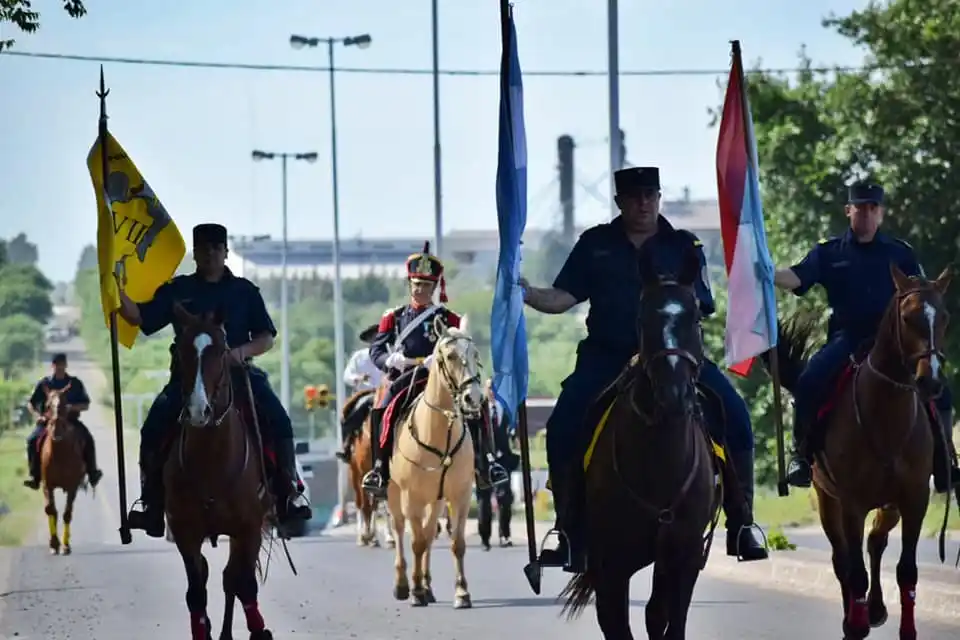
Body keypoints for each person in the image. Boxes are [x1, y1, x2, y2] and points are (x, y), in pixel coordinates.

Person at [520, 166, 768, 573]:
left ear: (659, 197)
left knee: (736, 418)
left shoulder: (684, 245)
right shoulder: (595, 243)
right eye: (635, 197)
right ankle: (568, 531)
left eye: (650, 195)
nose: (643, 203)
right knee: (564, 423)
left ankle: (742, 522)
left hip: (674, 357)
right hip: (607, 354)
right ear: (620, 201)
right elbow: (563, 297)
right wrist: (526, 293)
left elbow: (702, 303)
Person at [117, 223, 312, 538]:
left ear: (225, 252)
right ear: (195, 254)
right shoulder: (178, 290)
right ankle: (151, 503)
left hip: (237, 375)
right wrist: (115, 289)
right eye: (204, 249)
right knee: (153, 426)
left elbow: (265, 339)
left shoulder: (244, 291)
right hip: (186, 379)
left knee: (278, 419)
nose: (210, 254)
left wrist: (237, 354)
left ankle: (288, 492)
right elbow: (139, 317)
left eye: (216, 248)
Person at [773, 182, 960, 491]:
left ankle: (944, 462)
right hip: (847, 339)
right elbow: (796, 279)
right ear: (849, 211)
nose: (866, 214)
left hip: (895, 342)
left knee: (940, 389)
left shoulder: (900, 253)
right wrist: (765, 272)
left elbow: (921, 293)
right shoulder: (829, 252)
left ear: (880, 214)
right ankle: (802, 457)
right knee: (808, 382)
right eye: (859, 208)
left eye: (872, 208)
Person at [361, 241, 509, 498]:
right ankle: (380, 468)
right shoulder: (393, 317)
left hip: (442, 378)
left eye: (426, 285)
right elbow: (376, 351)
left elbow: (463, 348)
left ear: (435, 287)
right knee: (381, 406)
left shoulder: (449, 318)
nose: (420, 290)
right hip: (405, 377)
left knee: (477, 403)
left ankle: (487, 462)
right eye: (416, 284)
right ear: (410, 285)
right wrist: (389, 360)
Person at [23, 353, 102, 490]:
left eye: (62, 364)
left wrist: (72, 407)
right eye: (57, 364)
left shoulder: (75, 383)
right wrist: (38, 416)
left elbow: (86, 404)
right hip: (48, 421)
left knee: (88, 438)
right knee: (32, 440)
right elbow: (31, 403)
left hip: (70, 420)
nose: (59, 367)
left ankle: (92, 472)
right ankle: (34, 476)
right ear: (52, 366)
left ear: (65, 365)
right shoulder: (44, 384)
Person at [477, 378, 517, 550]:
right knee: (484, 501)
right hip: (484, 462)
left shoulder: (506, 411)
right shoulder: (479, 411)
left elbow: (512, 432)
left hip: (503, 461)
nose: (492, 391)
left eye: (495, 388)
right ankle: (485, 538)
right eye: (489, 388)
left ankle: (505, 535)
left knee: (504, 498)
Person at [335, 323, 383, 462]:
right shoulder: (359, 356)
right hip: (366, 393)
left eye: (379, 337)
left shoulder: (391, 354)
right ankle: (346, 445)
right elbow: (347, 376)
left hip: (386, 391)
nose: (376, 340)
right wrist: (358, 378)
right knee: (349, 414)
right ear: (368, 340)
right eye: (373, 337)